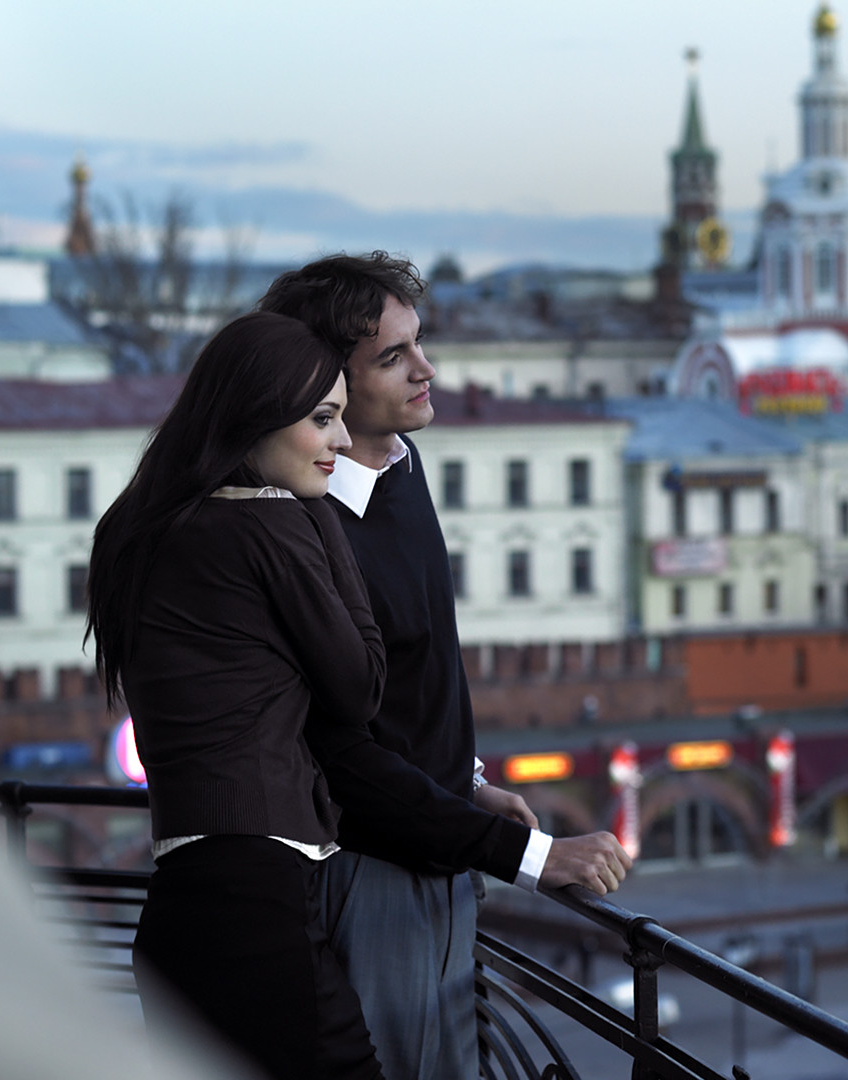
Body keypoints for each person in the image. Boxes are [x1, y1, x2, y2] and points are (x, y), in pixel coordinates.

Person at [260, 254, 633, 1080]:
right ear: (326, 382)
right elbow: (343, 757)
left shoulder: (398, 466)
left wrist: (461, 780)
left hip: (438, 854)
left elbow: (417, 665)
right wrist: (536, 859)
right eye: (393, 358)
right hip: (368, 877)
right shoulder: (302, 526)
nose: (426, 370)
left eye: (418, 344)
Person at [86, 311, 388, 1080]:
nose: (342, 443)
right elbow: (360, 687)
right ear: (254, 416)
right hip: (258, 908)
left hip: (182, 904)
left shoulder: (142, 526)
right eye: (323, 420)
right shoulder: (273, 526)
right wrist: (320, 519)